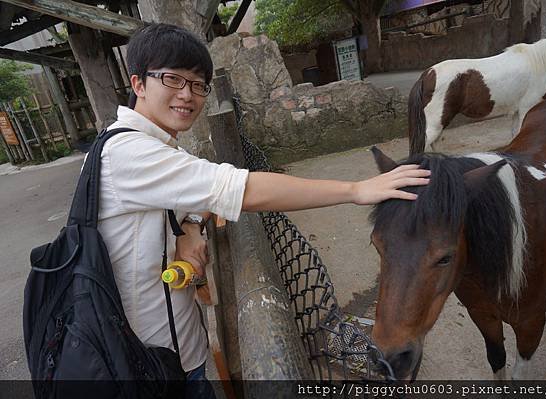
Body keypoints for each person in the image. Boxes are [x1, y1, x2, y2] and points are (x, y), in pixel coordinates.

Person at [98, 23, 430, 399]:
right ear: (139, 84)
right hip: (149, 366)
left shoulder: (159, 149)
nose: (187, 95)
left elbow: (197, 195)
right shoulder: (129, 154)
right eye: (173, 80)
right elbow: (240, 188)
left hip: (176, 352)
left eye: (197, 84)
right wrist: (356, 189)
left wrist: (189, 226)